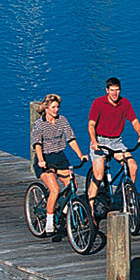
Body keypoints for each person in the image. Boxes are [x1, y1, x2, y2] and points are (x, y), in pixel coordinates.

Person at [30, 93, 87, 235]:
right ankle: (49, 222)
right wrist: (41, 160)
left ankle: (66, 207)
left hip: (59, 158)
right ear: (46, 108)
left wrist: (80, 155)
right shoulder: (39, 125)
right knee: (54, 189)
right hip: (45, 158)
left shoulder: (62, 120)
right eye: (53, 107)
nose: (56, 110)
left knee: (72, 184)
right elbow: (37, 144)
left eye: (57, 107)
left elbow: (71, 139)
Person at [87, 77, 140, 210]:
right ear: (107, 90)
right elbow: (91, 125)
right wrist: (94, 141)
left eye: (117, 90)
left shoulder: (125, 103)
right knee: (98, 175)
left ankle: (127, 194)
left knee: (132, 166)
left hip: (116, 141)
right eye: (112, 90)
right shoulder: (98, 103)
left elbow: (134, 121)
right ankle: (90, 209)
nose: (114, 93)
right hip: (100, 141)